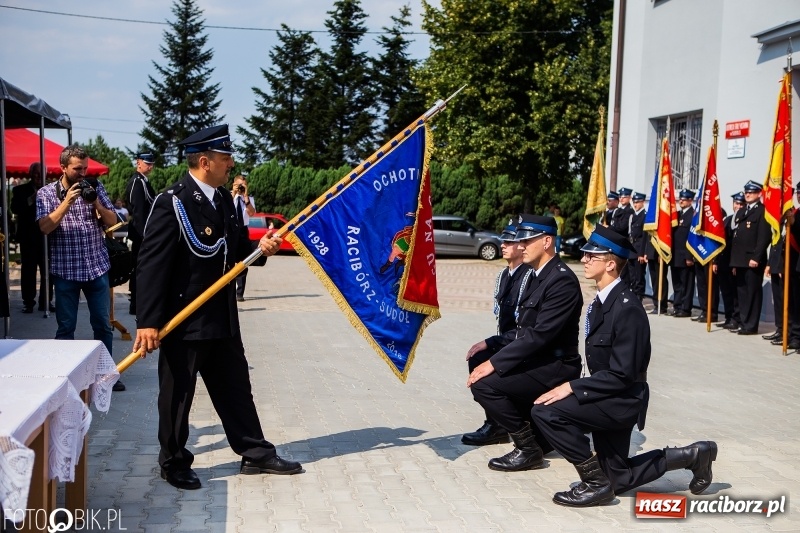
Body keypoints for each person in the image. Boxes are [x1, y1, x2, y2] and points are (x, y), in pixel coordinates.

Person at [133, 125, 301, 491]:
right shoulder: (172, 202)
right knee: (177, 395)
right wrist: (147, 321)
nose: (231, 164)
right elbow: (151, 265)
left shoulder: (224, 200)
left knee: (235, 387)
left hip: (221, 316)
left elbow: (237, 249)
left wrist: (263, 248)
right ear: (205, 161)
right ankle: (174, 461)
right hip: (184, 318)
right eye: (226, 158)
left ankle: (255, 453)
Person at [532, 224, 718, 507]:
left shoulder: (627, 308)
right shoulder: (601, 302)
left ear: (610, 264)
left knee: (545, 412)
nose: (583, 260)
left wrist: (572, 387)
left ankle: (594, 482)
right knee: (618, 477)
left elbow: (622, 374)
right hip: (607, 394)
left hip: (621, 399)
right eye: (584, 255)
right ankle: (693, 455)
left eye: (590, 256)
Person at [466, 214, 582, 472]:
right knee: (481, 368)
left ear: (547, 241)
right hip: (539, 358)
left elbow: (539, 335)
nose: (521, 245)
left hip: (556, 364)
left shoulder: (561, 279)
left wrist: (494, 363)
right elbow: (523, 329)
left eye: (528, 240)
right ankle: (530, 435)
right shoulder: (539, 276)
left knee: (484, 384)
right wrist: (493, 347)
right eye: (520, 240)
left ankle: (527, 448)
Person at [36, 145, 125, 392]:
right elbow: (44, 227)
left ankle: (105, 376)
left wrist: (95, 201)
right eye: (77, 169)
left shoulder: (95, 187)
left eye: (85, 168)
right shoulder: (46, 193)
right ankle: (66, 378)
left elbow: (113, 222)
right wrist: (67, 202)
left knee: (102, 325)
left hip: (96, 268)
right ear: (63, 167)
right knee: (66, 327)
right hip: (66, 270)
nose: (83, 173)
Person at [461, 222, 532, 446]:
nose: (504, 245)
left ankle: (508, 422)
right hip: (506, 340)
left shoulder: (529, 276)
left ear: (522, 246)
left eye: (510, 242)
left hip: (523, 345)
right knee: (476, 357)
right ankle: (495, 422)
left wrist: (494, 342)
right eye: (503, 241)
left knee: (487, 371)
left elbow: (525, 328)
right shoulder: (504, 275)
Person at [729, 180, 771, 335]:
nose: (747, 194)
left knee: (752, 293)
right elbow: (736, 237)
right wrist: (734, 262)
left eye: (751, 192)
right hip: (739, 260)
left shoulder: (762, 211)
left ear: (759, 194)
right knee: (742, 293)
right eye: (746, 192)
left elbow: (763, 237)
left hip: (752, 261)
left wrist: (757, 257)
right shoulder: (742, 211)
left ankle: (751, 325)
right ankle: (744, 322)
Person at [11, 162, 53, 313]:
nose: (38, 176)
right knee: (28, 271)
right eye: (35, 173)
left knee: (47, 271)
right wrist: (32, 198)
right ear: (30, 174)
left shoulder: (51, 190)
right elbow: (15, 208)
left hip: (46, 236)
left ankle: (46, 301)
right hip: (28, 237)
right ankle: (28, 302)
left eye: (41, 174)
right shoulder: (19, 190)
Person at [124, 153, 157, 315]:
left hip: (143, 232)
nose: (150, 167)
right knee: (140, 269)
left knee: (142, 269)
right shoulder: (137, 182)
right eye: (147, 163)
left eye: (152, 164)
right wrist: (145, 236)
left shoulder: (143, 181)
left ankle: (138, 302)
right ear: (138, 163)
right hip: (140, 233)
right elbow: (138, 213)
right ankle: (136, 304)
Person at [713, 192, 744, 330]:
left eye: (741, 204)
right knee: (725, 291)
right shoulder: (727, 220)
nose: (738, 206)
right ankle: (728, 317)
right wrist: (715, 261)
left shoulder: (744, 220)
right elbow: (719, 243)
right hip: (723, 262)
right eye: (736, 203)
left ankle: (736, 319)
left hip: (735, 263)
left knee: (735, 293)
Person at [670, 189, 695, 317]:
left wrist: (689, 256)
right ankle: (677, 305)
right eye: (680, 199)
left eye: (684, 199)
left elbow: (692, 238)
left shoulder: (693, 216)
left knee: (687, 284)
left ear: (690, 201)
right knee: (677, 283)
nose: (681, 201)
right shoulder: (677, 215)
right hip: (675, 255)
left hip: (686, 256)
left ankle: (686, 308)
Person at [231, 174, 256, 302]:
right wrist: (233, 193)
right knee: (227, 260)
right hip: (230, 230)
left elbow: (251, 213)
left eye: (243, 185)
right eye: (239, 185)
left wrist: (245, 196)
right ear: (234, 184)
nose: (240, 187)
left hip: (242, 231)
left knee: (243, 262)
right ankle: (226, 290)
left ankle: (239, 293)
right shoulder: (227, 196)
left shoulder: (249, 199)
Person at [628, 192, 647, 301]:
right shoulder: (633, 216)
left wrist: (641, 253)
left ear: (643, 202)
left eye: (637, 202)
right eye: (634, 202)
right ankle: (633, 296)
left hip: (639, 249)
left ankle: (639, 297)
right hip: (632, 249)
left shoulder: (644, 216)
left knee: (639, 277)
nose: (635, 204)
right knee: (632, 276)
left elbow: (644, 236)